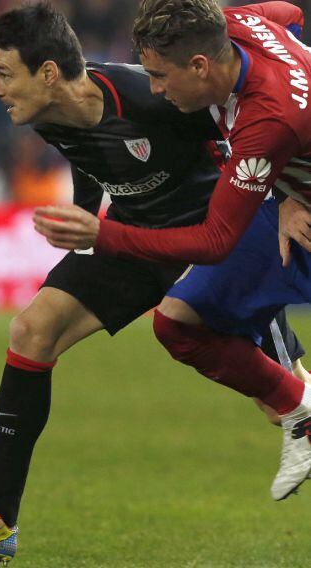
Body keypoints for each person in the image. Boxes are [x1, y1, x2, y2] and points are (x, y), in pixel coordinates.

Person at [0, 3, 311, 564]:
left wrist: (290, 194)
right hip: (133, 239)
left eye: (4, 74)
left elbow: (248, 144)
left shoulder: (155, 97)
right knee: (32, 330)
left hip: (209, 245)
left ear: (48, 73)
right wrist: (84, 220)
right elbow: (89, 158)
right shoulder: (46, 114)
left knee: (287, 407)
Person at [33, 0, 311, 506]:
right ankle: (302, 411)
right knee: (177, 323)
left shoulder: (266, 121)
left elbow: (214, 242)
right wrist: (291, 182)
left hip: (297, 211)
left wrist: (104, 236)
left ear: (200, 65)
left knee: (208, 337)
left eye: (160, 76)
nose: (155, 88)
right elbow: (290, 12)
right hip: (290, 192)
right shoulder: (231, 23)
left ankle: (298, 408)